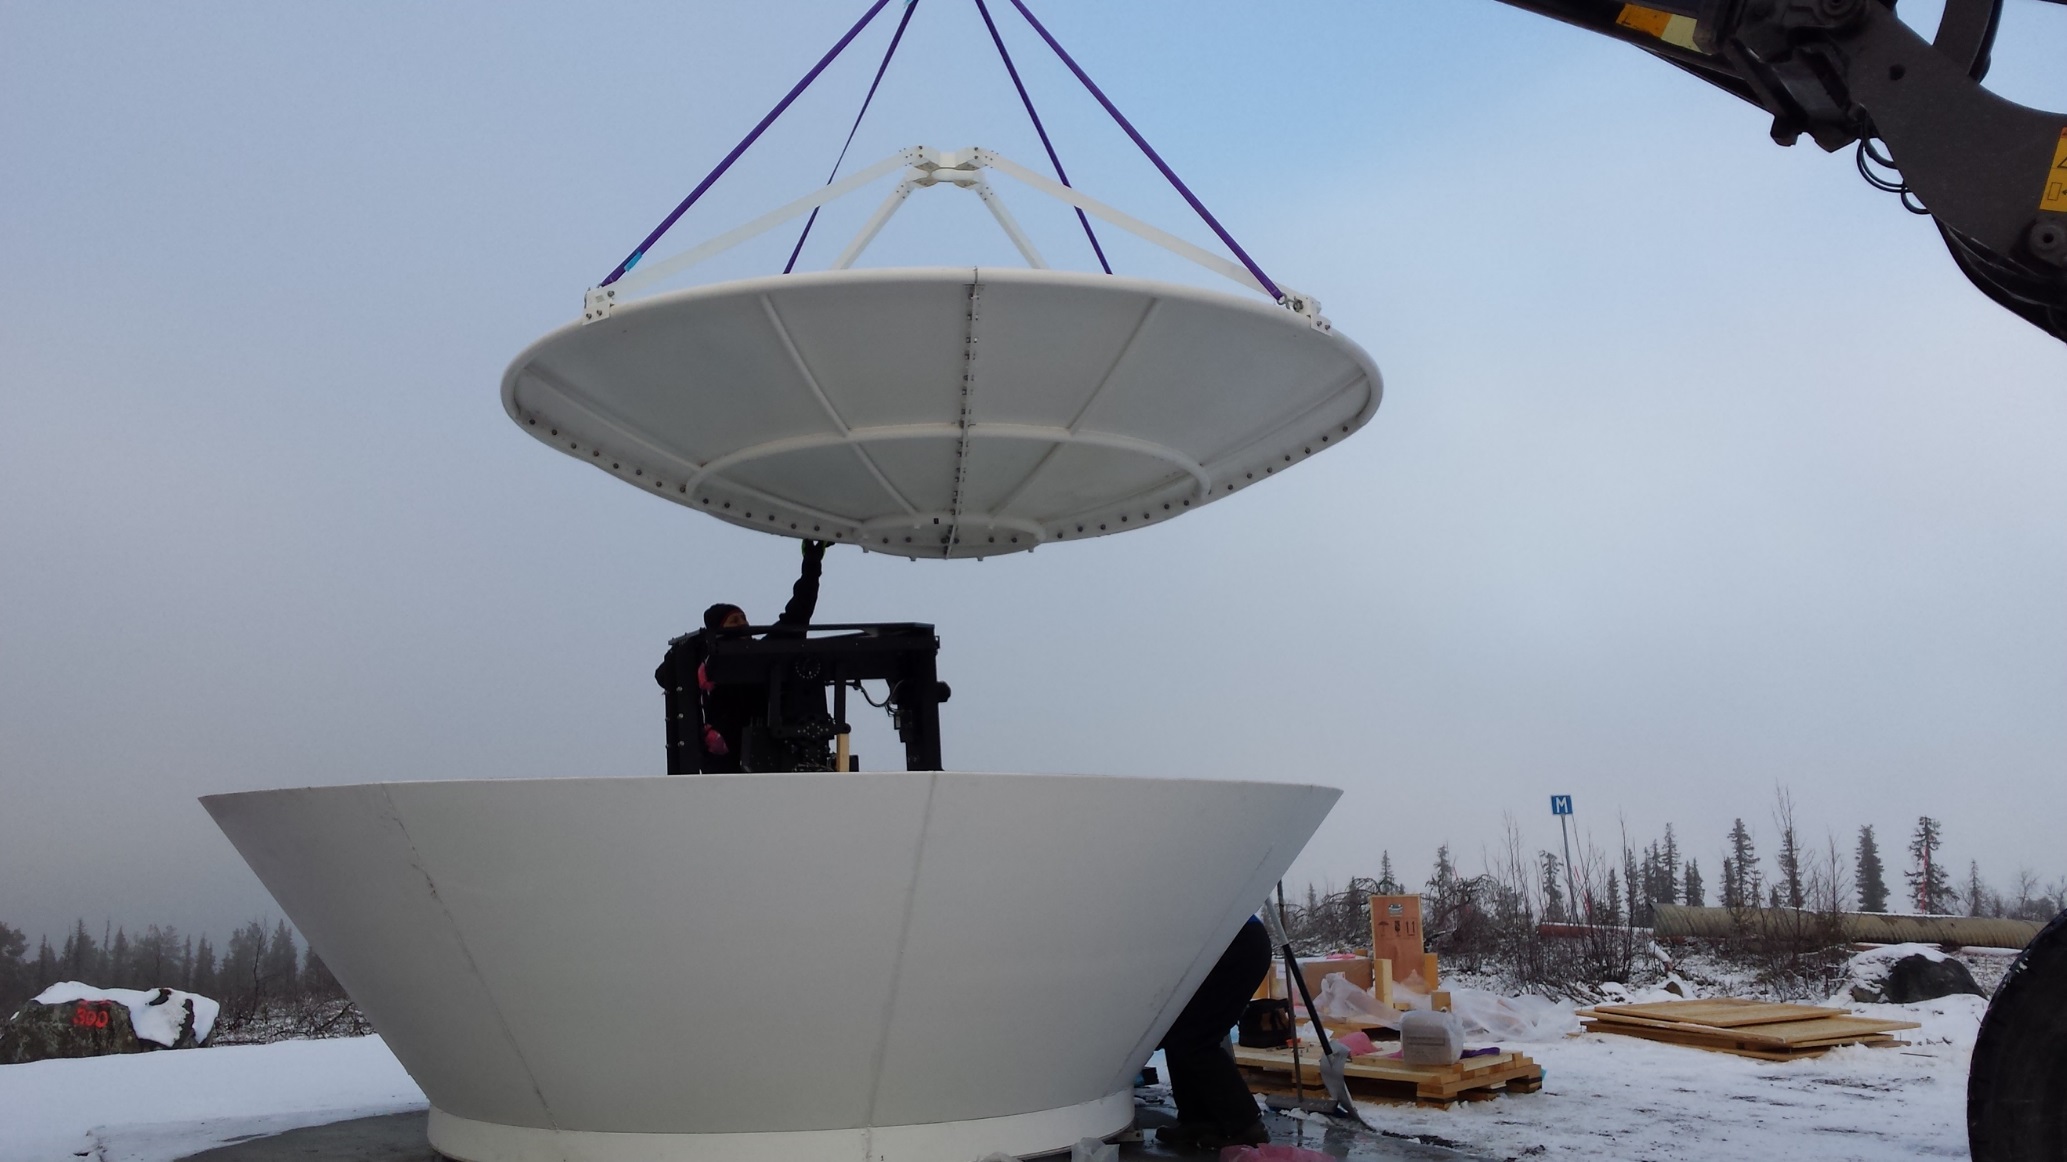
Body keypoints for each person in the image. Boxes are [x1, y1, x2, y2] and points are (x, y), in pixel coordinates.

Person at [657, 539, 828, 773]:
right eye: (734, 621)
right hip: (722, 756)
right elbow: (664, 675)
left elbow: (798, 613)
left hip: (765, 751)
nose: (743, 625)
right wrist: (694, 647)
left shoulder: (762, 652)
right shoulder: (705, 659)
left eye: (743, 618)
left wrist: (811, 564)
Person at [1155, 916, 1274, 1150]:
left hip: (1235, 942)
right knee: (1178, 1033)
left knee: (1195, 1040)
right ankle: (1198, 1121)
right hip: (1227, 941)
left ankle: (1246, 1126)